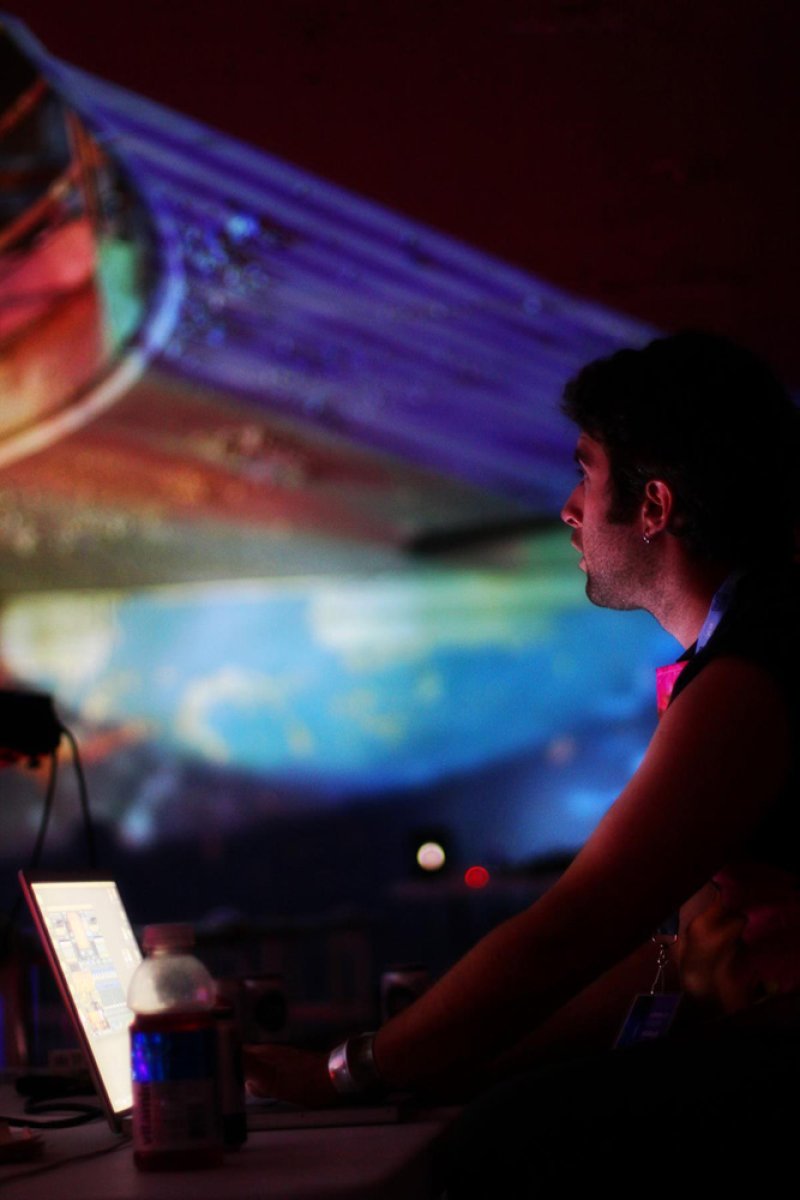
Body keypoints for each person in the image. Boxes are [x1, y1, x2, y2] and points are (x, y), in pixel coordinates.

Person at [245, 331, 800, 1189]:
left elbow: (575, 928)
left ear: (653, 507)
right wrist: (451, 1051)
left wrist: (352, 1071)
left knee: (498, 1146)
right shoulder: (747, 646)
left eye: (585, 470)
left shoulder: (751, 674)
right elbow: (659, 956)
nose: (569, 507)